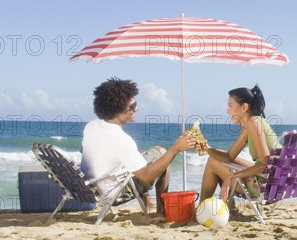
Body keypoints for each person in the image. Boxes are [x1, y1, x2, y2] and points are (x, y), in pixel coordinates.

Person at [80, 77, 195, 215]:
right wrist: (175, 149)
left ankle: (148, 202)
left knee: (146, 154)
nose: (137, 109)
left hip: (91, 186)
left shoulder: (91, 126)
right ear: (118, 110)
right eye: (133, 106)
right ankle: (161, 211)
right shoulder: (121, 138)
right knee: (162, 153)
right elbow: (146, 176)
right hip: (111, 192)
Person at [200, 84, 279, 202]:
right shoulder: (254, 122)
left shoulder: (253, 123)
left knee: (212, 163)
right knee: (218, 157)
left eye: (230, 106)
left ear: (244, 107)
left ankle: (202, 207)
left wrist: (233, 176)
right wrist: (206, 148)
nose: (227, 110)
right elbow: (228, 156)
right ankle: (228, 207)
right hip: (276, 180)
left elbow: (265, 164)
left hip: (266, 185)